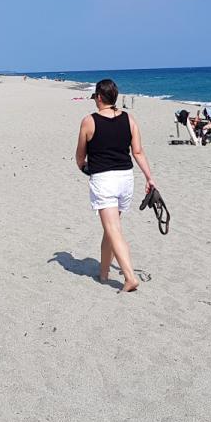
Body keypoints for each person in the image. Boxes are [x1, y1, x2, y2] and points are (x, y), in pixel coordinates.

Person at [74, 79, 157, 292]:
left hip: (104, 180)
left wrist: (85, 169)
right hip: (126, 179)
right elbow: (137, 152)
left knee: (113, 229)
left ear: (99, 98)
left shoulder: (88, 121)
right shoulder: (129, 119)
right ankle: (103, 273)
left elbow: (80, 158)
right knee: (110, 230)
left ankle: (130, 278)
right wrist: (149, 178)